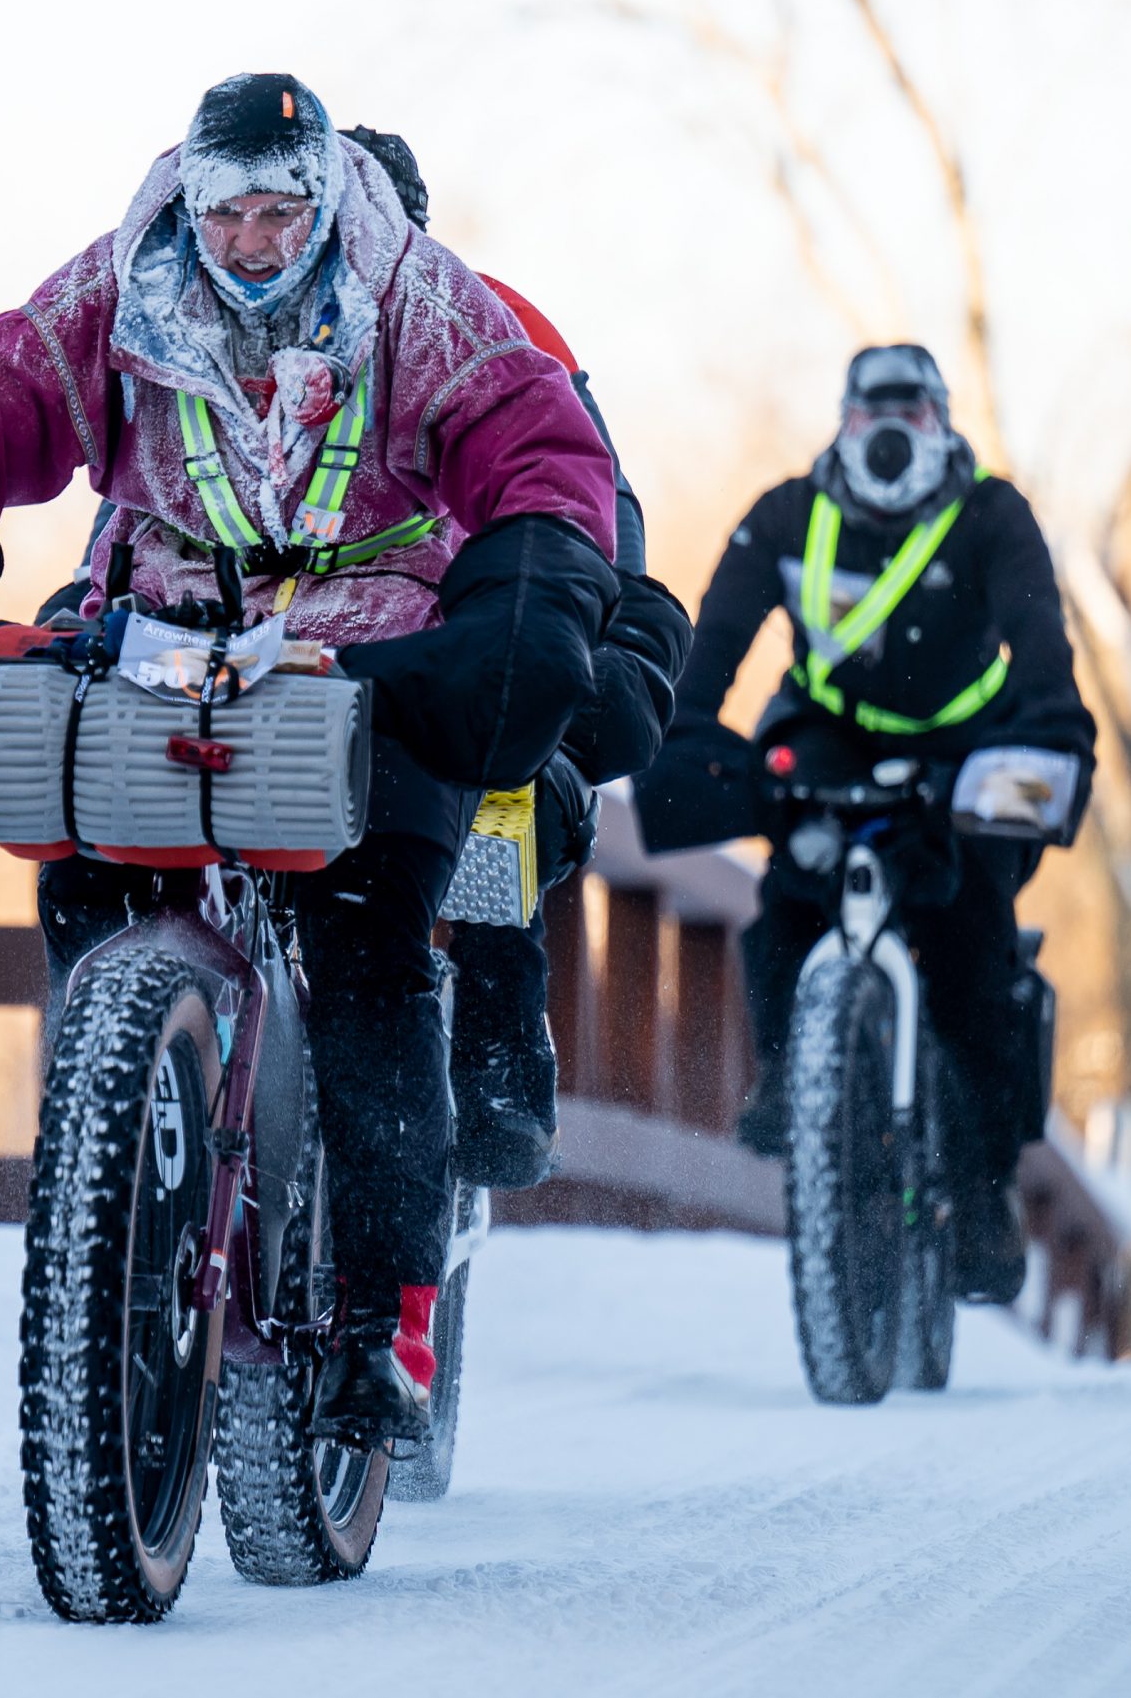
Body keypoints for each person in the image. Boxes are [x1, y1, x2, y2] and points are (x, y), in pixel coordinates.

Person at [0, 75, 623, 1442]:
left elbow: (532, 443)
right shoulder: (120, 291)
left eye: (276, 209)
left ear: (323, 197)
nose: (248, 237)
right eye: (224, 209)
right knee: (79, 861)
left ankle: (381, 1323)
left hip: (370, 635)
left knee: (371, 943)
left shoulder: (418, 296)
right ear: (190, 199)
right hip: (158, 624)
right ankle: (117, 1175)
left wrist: (524, 602)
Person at [44, 125, 691, 1192]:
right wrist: (81, 613)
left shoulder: (486, 331)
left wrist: (580, 660)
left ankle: (494, 1054)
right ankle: (113, 1114)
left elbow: (592, 531)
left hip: (421, 666)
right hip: (236, 667)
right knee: (101, 801)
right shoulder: (207, 343)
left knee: (493, 797)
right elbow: (136, 522)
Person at [651, 345, 1095, 1302]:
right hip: (828, 739)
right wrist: (685, 736)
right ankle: (792, 1072)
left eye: (915, 415)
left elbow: (1042, 645)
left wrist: (1053, 737)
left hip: (971, 743)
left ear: (943, 424)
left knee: (972, 939)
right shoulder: (788, 514)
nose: (893, 435)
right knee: (790, 899)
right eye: (872, 416)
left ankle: (982, 1192)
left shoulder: (991, 516)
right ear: (843, 424)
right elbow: (715, 641)